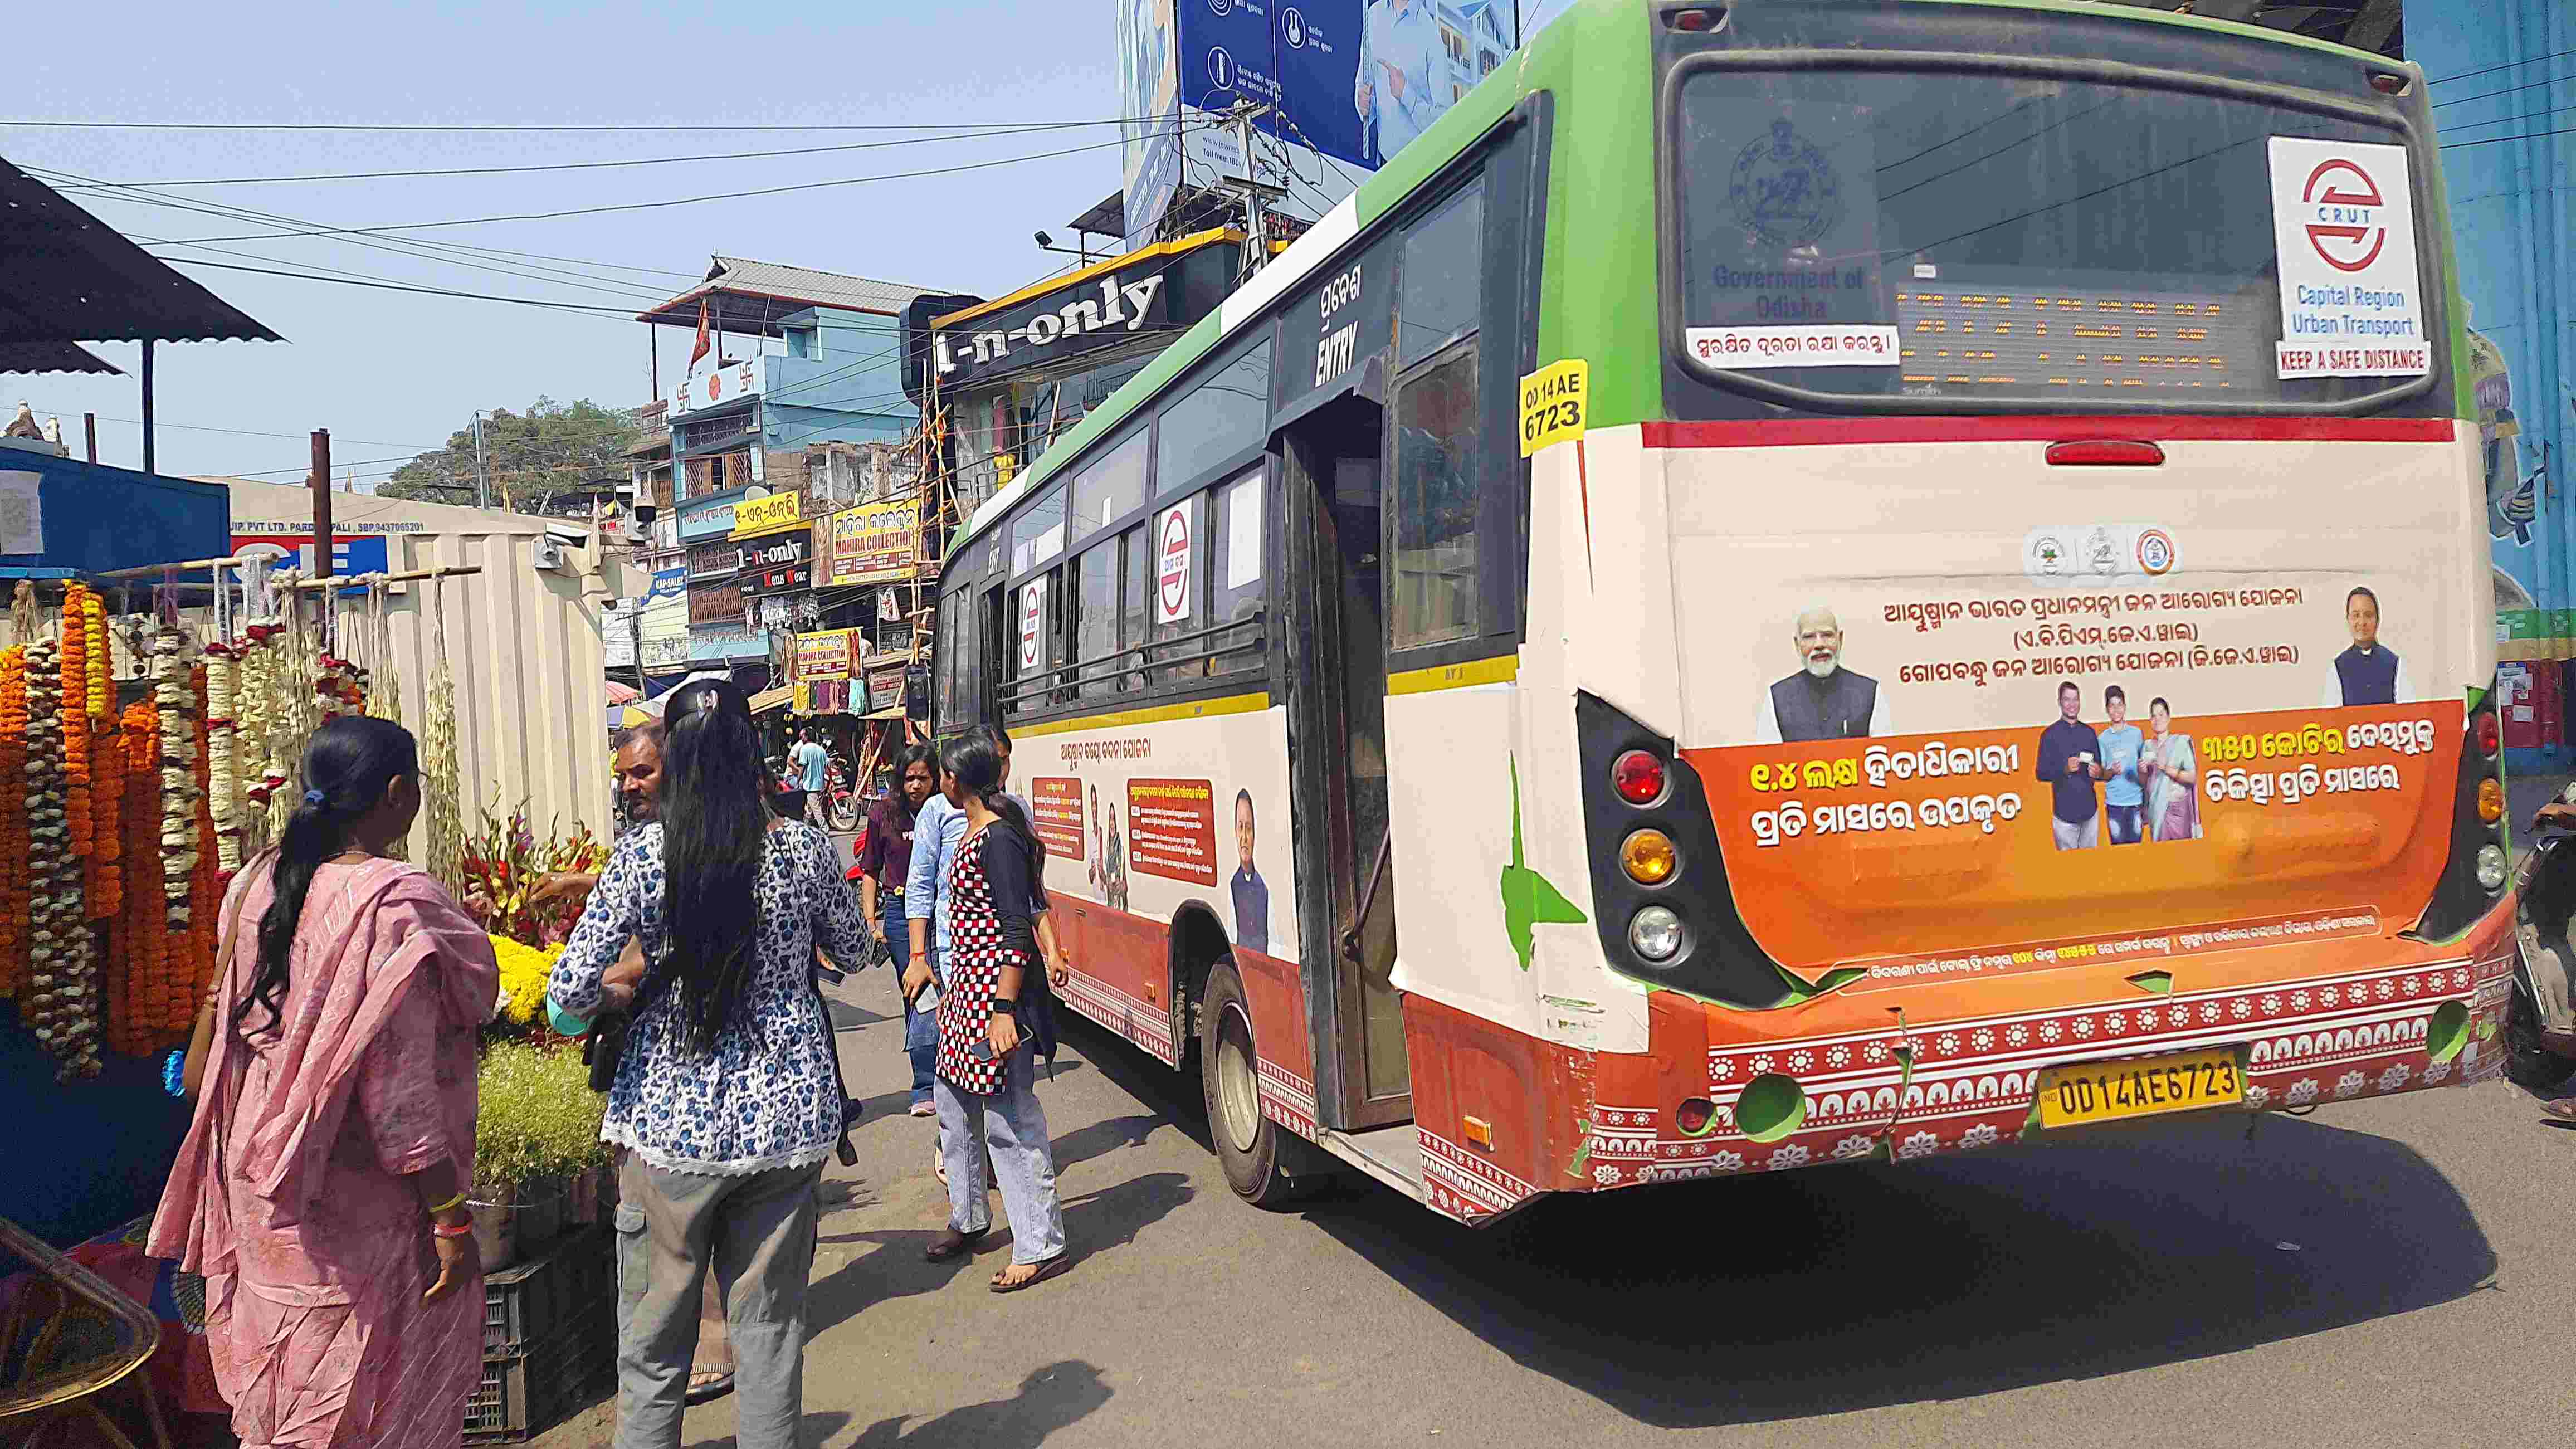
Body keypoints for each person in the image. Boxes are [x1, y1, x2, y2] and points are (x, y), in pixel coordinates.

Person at [149, 717, 501, 1449]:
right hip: (357, 1216)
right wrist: (451, 1218)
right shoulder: (394, 905)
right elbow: (398, 1106)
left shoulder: (256, 880)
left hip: (263, 1196)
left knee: (289, 1415)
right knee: (367, 1415)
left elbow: (224, 1014)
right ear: (398, 794)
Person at [547, 678, 871, 1449]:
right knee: (769, 1335)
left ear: (679, 761)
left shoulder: (642, 857)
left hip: (669, 1134)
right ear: (752, 756)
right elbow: (855, 952)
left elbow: (566, 997)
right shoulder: (799, 847)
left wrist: (620, 991)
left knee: (655, 1344)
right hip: (787, 1126)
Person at [903, 732, 1072, 1291]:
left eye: (944, 774)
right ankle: (969, 1216)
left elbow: (1015, 927)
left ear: (959, 778)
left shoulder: (998, 838)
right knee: (953, 1108)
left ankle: (1041, 1244)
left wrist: (1003, 1010)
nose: (939, 782)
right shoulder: (972, 829)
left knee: (1009, 1120)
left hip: (995, 1001)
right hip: (963, 995)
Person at [861, 744, 939, 1116]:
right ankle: (924, 1086)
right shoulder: (882, 814)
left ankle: (952, 1077)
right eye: (909, 778)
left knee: (947, 992)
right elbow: (870, 871)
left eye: (923, 778)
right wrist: (870, 923)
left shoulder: (945, 812)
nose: (916, 785)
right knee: (918, 994)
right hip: (898, 912)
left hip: (942, 912)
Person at [1754, 606, 1891, 744]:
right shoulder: (1776, 696)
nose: (1819, 644)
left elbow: (1884, 756)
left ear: (1840, 639)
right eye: (1809, 637)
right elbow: (1765, 761)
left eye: (1827, 635)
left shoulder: (1870, 692)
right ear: (1797, 644)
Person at [1356, 0, 1442, 164]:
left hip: (1423, 169)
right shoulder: (1373, 17)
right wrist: (1363, 102)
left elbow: (1445, 122)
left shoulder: (1430, 32)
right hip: (1384, 165)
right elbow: (1364, 88)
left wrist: (1406, 95)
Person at [2035, 680, 2104, 851]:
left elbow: (2100, 769)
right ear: (2060, 702)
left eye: (2075, 700)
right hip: (2064, 817)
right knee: (2069, 872)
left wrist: (2098, 772)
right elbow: (2040, 773)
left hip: (2090, 813)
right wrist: (2064, 769)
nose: (2072, 705)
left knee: (2092, 868)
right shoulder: (2049, 735)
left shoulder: (2089, 733)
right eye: (2067, 700)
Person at [2322, 586, 2411, 706]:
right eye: (2356, 615)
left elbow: (2409, 713)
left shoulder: (2395, 664)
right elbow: (2331, 718)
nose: (2362, 622)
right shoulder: (2337, 666)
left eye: (2368, 615)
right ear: (2348, 619)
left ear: (2378, 619)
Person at [2139, 697, 2202, 842]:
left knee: (2183, 855)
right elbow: (2144, 783)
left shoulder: (2181, 743)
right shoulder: (2147, 746)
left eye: (2161, 715)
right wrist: (2142, 771)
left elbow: (2192, 778)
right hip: (2157, 810)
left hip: (2178, 810)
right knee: (2162, 858)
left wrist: (2166, 768)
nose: (2157, 719)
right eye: (2153, 716)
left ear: (2168, 717)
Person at [2098, 686, 2146, 845]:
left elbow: (2144, 770)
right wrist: (2111, 771)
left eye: (2119, 705)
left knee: (2137, 851)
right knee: (2119, 852)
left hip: (2135, 802)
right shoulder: (2103, 739)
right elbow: (2102, 773)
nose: (2116, 709)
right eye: (2112, 706)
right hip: (2114, 804)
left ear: (2125, 707)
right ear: (2107, 709)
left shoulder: (2137, 733)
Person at [1229, 788, 1270, 954]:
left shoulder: (1263, 887)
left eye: (1249, 828)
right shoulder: (1232, 885)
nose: (1244, 837)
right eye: (1240, 828)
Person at [789, 727, 832, 827]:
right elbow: (828, 767)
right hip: (820, 784)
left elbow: (802, 767)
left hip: (810, 784)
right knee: (810, 808)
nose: (801, 738)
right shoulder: (821, 749)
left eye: (802, 736)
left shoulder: (805, 749)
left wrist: (798, 781)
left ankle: (824, 827)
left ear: (807, 737)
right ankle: (807, 826)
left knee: (815, 808)